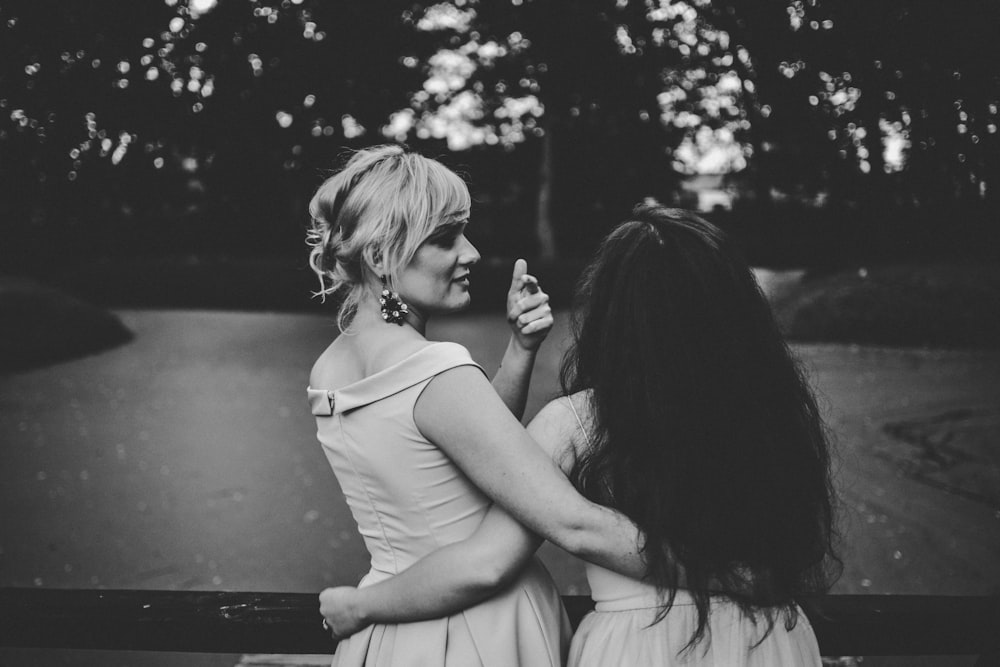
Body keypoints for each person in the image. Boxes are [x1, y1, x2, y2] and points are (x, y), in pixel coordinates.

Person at [319, 204, 840, 666]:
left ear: (612, 315)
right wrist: (740, 578)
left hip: (634, 649)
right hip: (773, 641)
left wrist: (360, 604)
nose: (471, 252)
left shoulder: (576, 423)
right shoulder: (772, 412)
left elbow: (498, 539)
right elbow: (479, 449)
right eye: (446, 237)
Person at [305, 144, 647, 667]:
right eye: (445, 239)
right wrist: (709, 571)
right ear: (380, 258)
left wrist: (519, 350)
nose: (470, 253)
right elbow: (570, 525)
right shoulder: (436, 368)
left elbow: (460, 455)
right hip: (481, 630)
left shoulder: (330, 369)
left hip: (389, 627)